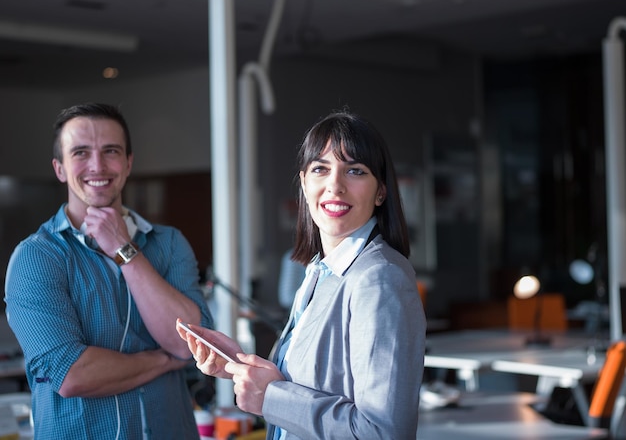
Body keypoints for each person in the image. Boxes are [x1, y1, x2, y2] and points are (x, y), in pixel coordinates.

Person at [176, 109, 426, 439]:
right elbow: (313, 383)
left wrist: (271, 397)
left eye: (355, 171)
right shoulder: (319, 271)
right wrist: (238, 364)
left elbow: (381, 432)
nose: (335, 185)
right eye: (321, 169)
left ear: (380, 192)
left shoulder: (379, 279)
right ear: (305, 184)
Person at [4, 103, 213, 439]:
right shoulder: (36, 257)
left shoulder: (169, 243)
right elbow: (72, 374)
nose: (97, 166)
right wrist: (164, 361)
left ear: (128, 163)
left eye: (110, 151)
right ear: (60, 168)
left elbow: (191, 346)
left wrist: (124, 250)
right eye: (81, 153)